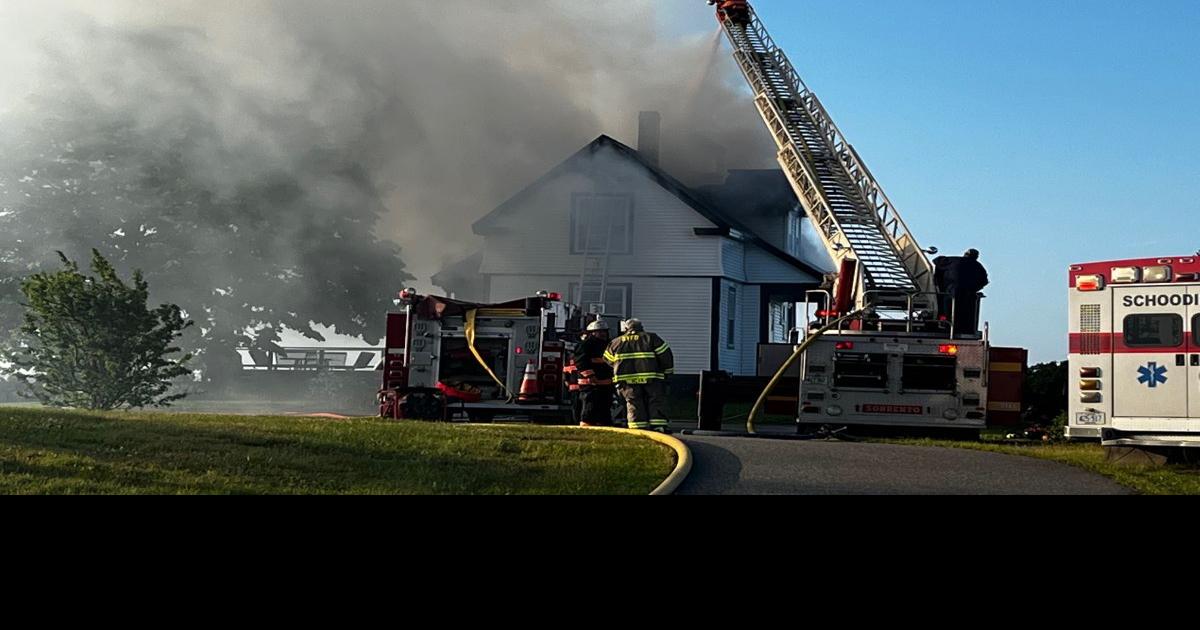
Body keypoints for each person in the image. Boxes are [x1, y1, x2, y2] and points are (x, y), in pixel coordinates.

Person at [604, 319, 675, 433]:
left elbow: (608, 359)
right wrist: (667, 372)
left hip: (626, 380)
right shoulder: (651, 338)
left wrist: (620, 367)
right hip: (652, 378)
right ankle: (658, 426)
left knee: (633, 402)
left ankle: (637, 428)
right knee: (655, 400)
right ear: (641, 327)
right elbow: (666, 356)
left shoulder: (616, 342)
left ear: (626, 329)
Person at [934, 249, 990, 336]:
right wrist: (973, 289)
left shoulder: (953, 260)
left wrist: (939, 281)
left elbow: (936, 261)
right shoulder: (978, 266)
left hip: (950, 293)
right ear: (976, 257)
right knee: (965, 317)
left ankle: (946, 327)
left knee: (947, 313)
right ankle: (963, 330)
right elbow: (984, 281)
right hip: (967, 296)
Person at [575, 320, 616, 427]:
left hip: (606, 383)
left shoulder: (609, 344)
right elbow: (581, 362)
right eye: (599, 331)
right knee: (590, 405)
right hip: (590, 383)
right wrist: (591, 376)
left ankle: (604, 425)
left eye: (604, 331)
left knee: (605, 406)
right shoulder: (585, 345)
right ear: (592, 333)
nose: (603, 334)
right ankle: (586, 426)